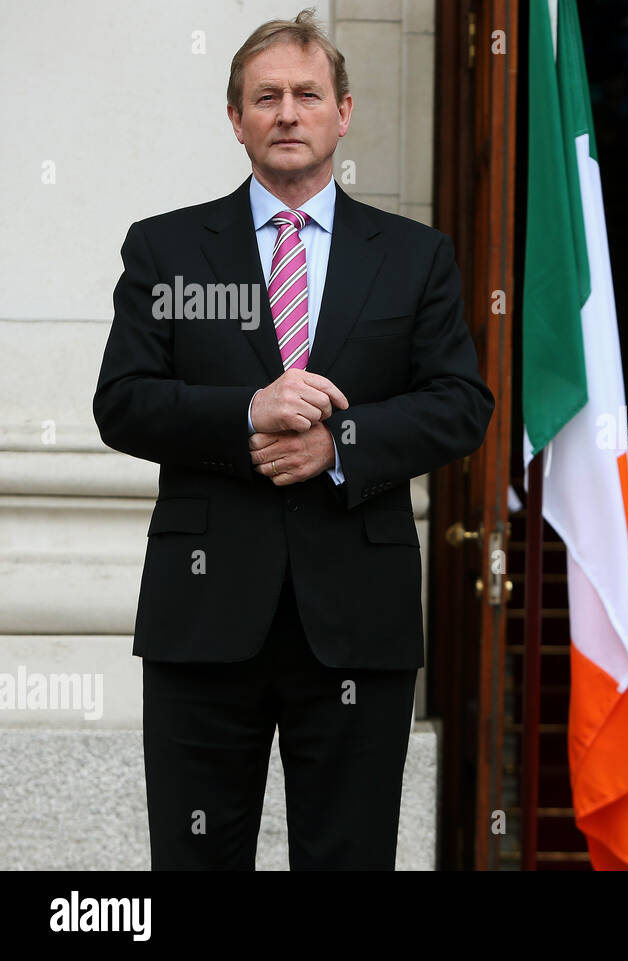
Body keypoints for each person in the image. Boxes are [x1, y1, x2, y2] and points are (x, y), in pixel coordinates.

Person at [92, 10, 494, 869]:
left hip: (358, 617)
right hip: (203, 620)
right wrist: (249, 412)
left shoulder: (416, 256)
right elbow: (122, 402)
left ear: (343, 112)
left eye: (307, 95)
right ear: (234, 119)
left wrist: (337, 444)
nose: (286, 112)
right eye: (264, 97)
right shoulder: (166, 250)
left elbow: (463, 402)